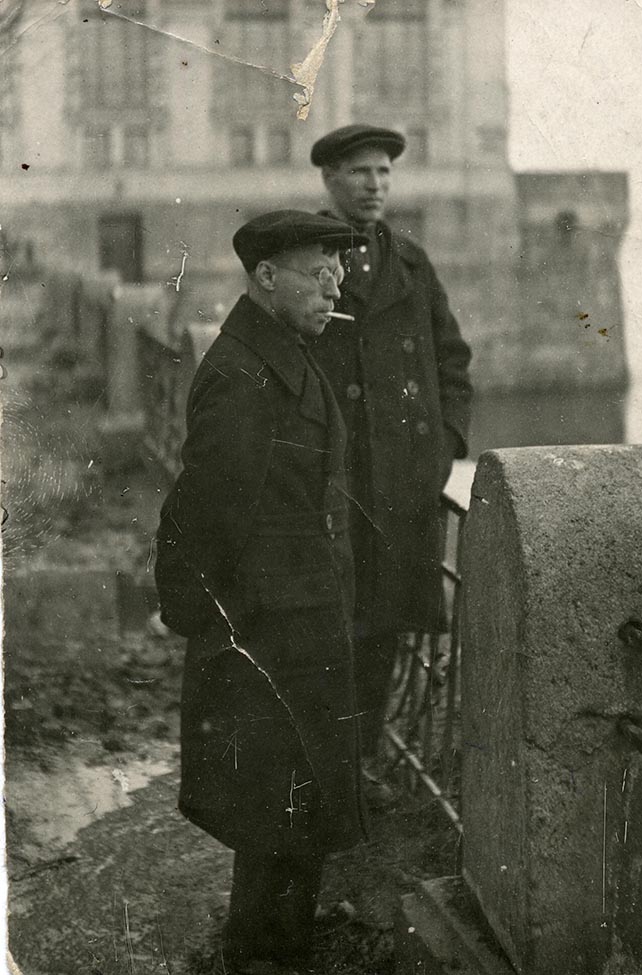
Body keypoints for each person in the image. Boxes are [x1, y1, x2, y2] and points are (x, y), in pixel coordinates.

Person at [154, 210, 368, 975]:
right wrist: (209, 622)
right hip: (271, 631)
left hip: (300, 621)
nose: (333, 287)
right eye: (318, 273)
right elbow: (204, 509)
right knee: (277, 811)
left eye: (338, 274)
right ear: (267, 276)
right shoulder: (244, 372)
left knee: (291, 813)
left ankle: (275, 952)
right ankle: (263, 958)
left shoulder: (281, 355)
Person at [309, 124, 474, 779]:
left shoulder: (409, 261)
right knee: (328, 621)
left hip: (401, 482)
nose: (374, 185)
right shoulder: (306, 256)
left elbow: (452, 359)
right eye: (360, 172)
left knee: (382, 627)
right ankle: (323, 770)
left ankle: (363, 763)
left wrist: (446, 444)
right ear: (330, 179)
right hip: (335, 478)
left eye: (383, 173)